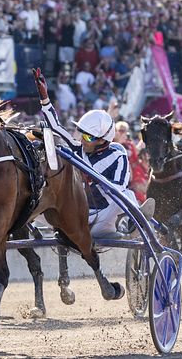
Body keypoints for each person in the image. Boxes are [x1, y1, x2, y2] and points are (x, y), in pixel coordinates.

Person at [34, 68, 141, 239]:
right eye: (81, 133)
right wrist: (44, 97)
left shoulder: (118, 153)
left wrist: (94, 180)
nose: (82, 139)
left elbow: (119, 188)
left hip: (103, 218)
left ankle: (133, 224)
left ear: (102, 140)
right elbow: (56, 127)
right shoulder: (77, 149)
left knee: (128, 194)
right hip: (75, 216)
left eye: (88, 136)